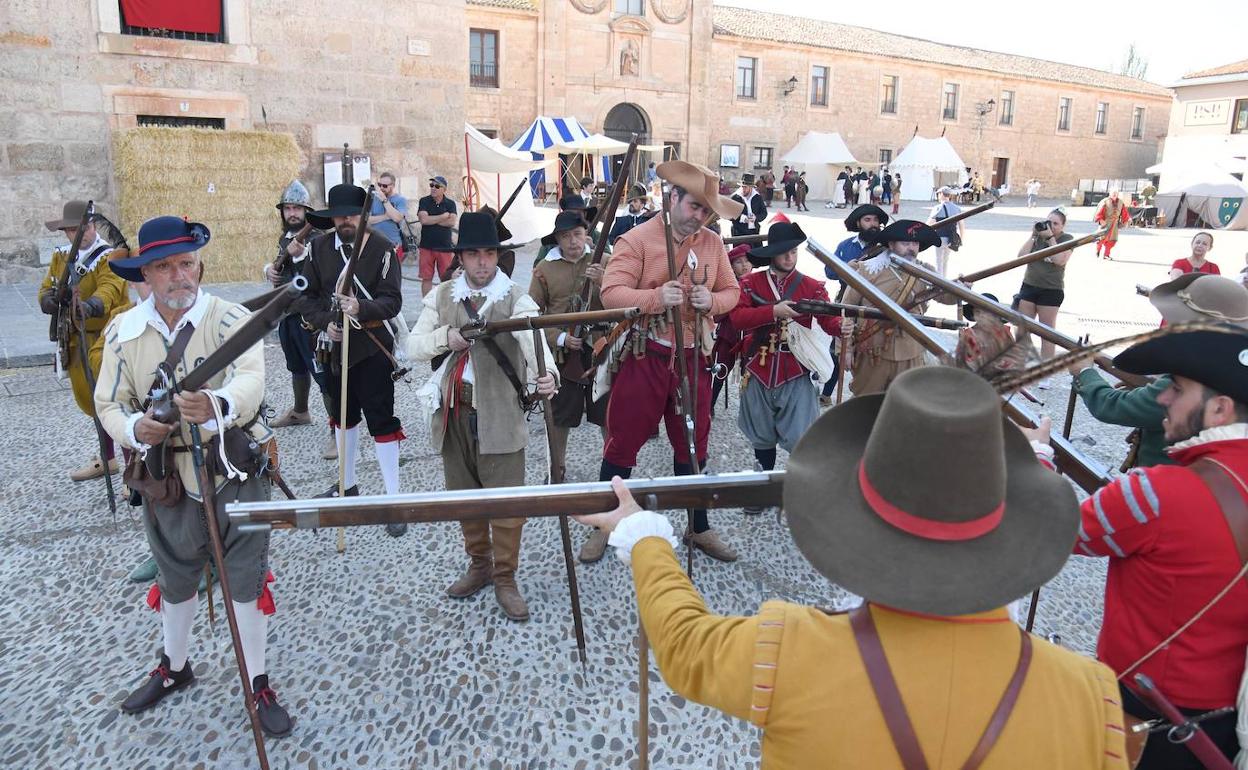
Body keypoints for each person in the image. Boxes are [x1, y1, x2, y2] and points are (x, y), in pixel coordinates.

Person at [578, 366, 1128, 769]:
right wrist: (1021, 470)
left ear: (856, 523)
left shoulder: (791, 650)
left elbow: (685, 647)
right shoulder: (1090, 697)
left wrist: (643, 535)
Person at [96, 216, 291, 736]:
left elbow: (251, 380)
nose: (179, 275)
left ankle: (257, 681)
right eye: (164, 266)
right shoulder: (123, 332)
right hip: (167, 480)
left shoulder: (230, 320)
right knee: (176, 579)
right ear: (145, 277)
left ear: (199, 266)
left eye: (186, 263)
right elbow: (107, 403)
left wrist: (215, 403)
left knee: (246, 582)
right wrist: (136, 428)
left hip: (233, 469)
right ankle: (175, 667)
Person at [1027, 327, 1248, 769]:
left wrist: (1038, 458)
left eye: (1177, 389)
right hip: (1226, 722)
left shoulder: (1157, 492)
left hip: (1150, 718)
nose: (1163, 399)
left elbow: (1047, 529)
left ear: (1220, 409)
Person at [407, 211, 558, 621]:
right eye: (473, 254)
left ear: (497, 256)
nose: (481, 262)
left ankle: (506, 577)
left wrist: (548, 378)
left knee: (507, 505)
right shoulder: (442, 297)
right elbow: (413, 346)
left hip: (501, 416)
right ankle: (480, 565)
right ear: (461, 258)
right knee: (465, 498)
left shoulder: (516, 299)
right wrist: (446, 338)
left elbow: (536, 345)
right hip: (454, 413)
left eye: (488, 253)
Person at [598, 160, 743, 562]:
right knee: (622, 443)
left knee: (694, 446)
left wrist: (711, 301)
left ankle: (698, 528)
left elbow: (732, 292)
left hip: (694, 359)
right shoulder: (638, 239)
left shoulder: (712, 243)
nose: (700, 217)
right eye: (695, 207)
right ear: (672, 197)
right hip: (647, 355)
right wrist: (654, 298)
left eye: (707, 211)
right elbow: (611, 293)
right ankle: (606, 523)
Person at [299, 184, 407, 537]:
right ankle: (347, 486)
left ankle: (393, 499)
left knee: (381, 421)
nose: (345, 221)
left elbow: (392, 301)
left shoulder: (382, 249)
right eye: (339, 215)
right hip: (334, 350)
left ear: (363, 215)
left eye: (351, 215)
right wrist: (325, 323)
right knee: (342, 418)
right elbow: (308, 300)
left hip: (373, 349)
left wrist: (362, 307)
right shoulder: (318, 249)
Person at [1070, 273, 1248, 469]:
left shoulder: (1192, 381)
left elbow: (1113, 407)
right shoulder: (1227, 370)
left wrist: (1085, 372)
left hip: (1169, 482)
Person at [730, 221, 840, 514]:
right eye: (784, 253)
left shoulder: (813, 287)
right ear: (773, 255)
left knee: (803, 436)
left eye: (793, 251)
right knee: (761, 434)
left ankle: (800, 490)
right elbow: (737, 319)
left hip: (796, 368)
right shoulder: (750, 284)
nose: (790, 257)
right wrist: (772, 311)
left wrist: (845, 325)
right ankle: (762, 489)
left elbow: (829, 321)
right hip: (758, 368)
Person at [528, 211, 610, 561]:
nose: (573, 242)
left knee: (609, 419)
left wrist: (606, 280)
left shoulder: (606, 261)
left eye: (578, 234)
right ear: (557, 239)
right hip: (564, 359)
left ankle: (612, 477)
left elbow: (625, 303)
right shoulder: (544, 270)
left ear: (586, 234)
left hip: (603, 354)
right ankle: (556, 473)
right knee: (559, 420)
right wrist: (560, 337)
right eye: (565, 236)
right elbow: (531, 313)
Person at [38, 200, 132, 482]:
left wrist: (90, 306)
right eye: (69, 231)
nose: (74, 235)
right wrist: (50, 300)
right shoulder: (61, 257)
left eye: (78, 229)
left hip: (107, 339)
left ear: (92, 226)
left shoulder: (110, 256)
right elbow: (47, 286)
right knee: (93, 403)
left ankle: (132, 470)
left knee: (118, 403)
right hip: (75, 339)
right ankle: (108, 459)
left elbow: (111, 288)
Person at [264, 181, 339, 457]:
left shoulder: (318, 239)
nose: (292, 213)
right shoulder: (286, 237)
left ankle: (338, 431)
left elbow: (322, 276)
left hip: (310, 316)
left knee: (323, 374)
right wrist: (269, 271)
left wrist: (303, 256)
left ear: (306, 211)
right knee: (296, 366)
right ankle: (300, 411)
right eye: (288, 208)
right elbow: (279, 266)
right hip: (287, 314)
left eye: (297, 208)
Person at [842, 220, 955, 396]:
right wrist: (846, 350)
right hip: (873, 350)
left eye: (915, 243)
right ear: (891, 244)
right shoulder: (868, 269)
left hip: (911, 350)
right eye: (905, 243)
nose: (911, 248)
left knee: (906, 408)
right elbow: (846, 310)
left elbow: (946, 297)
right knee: (865, 406)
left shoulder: (925, 271)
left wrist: (961, 288)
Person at [819, 204, 888, 406]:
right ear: (858, 223)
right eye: (867, 220)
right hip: (846, 299)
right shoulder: (846, 245)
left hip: (873, 304)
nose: (873, 224)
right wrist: (845, 269)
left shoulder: (886, 247)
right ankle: (827, 392)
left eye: (875, 220)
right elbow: (829, 272)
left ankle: (862, 394)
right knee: (838, 346)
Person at [1014, 208, 1075, 360]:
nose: (1052, 226)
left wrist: (1050, 239)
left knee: (1046, 333)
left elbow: (1060, 260)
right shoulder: (1038, 237)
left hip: (1051, 290)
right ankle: (1021, 365)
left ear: (1063, 226)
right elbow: (1021, 257)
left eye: (1056, 223)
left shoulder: (1067, 238)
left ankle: (1045, 372)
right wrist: (1033, 236)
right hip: (1029, 285)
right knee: (1022, 330)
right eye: (1049, 222)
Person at [710, 244, 753, 413]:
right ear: (731, 266)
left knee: (750, 373)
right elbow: (717, 312)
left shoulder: (759, 283)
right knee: (721, 369)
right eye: (739, 262)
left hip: (751, 335)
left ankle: (749, 410)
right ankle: (709, 405)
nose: (744, 265)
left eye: (747, 261)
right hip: (729, 334)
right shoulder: (725, 286)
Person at [416, 174, 458, 297]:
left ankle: (445, 303)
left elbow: (451, 222)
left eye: (437, 186)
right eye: (431, 185)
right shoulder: (424, 201)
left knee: (446, 278)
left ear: (444, 189)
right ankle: (427, 305)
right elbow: (423, 220)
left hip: (444, 247)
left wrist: (431, 219)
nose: (433, 188)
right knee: (426, 278)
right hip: (426, 246)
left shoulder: (450, 203)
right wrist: (443, 216)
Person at [367, 171, 408, 261]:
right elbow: (366, 220)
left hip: (394, 244)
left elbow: (397, 218)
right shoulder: (373, 199)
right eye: (379, 185)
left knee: (394, 274)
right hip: (375, 244)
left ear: (392, 186)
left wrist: (384, 200)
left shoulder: (400, 200)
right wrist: (385, 216)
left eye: (385, 186)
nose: (381, 188)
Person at [926, 187, 964, 277]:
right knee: (945, 261)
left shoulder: (937, 208)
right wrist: (961, 239)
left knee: (938, 261)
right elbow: (961, 225)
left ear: (942, 194)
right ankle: (945, 279)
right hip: (951, 238)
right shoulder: (957, 208)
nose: (938, 196)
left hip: (939, 237)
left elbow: (929, 223)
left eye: (938, 194)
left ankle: (939, 281)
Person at [1094, 188, 1130, 260]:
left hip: (1115, 224)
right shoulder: (1105, 201)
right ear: (1110, 194)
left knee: (1112, 240)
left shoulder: (1120, 202)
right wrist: (1101, 220)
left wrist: (1125, 221)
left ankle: (1106, 255)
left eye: (1116, 193)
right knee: (1101, 238)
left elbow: (1124, 213)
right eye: (1113, 193)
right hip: (1105, 223)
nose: (1114, 194)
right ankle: (1098, 250)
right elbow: (1099, 212)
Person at [730, 173, 767, 238]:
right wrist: (742, 218)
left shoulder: (757, 197)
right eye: (742, 186)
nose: (743, 189)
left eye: (745, 187)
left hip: (754, 231)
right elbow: (729, 214)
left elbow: (764, 213)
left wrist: (756, 217)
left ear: (751, 187)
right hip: (739, 231)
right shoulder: (735, 197)